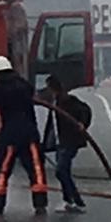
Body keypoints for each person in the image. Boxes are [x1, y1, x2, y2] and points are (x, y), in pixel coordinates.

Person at [0, 56, 50, 215]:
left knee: (2, 171)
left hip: (10, 136)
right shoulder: (25, 86)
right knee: (36, 169)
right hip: (29, 134)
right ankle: (40, 204)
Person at [41, 74, 93, 213]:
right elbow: (52, 125)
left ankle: (75, 201)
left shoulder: (68, 101)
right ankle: (70, 201)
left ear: (53, 88)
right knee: (64, 172)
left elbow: (85, 110)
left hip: (70, 141)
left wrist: (82, 123)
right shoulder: (54, 102)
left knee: (61, 170)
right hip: (60, 143)